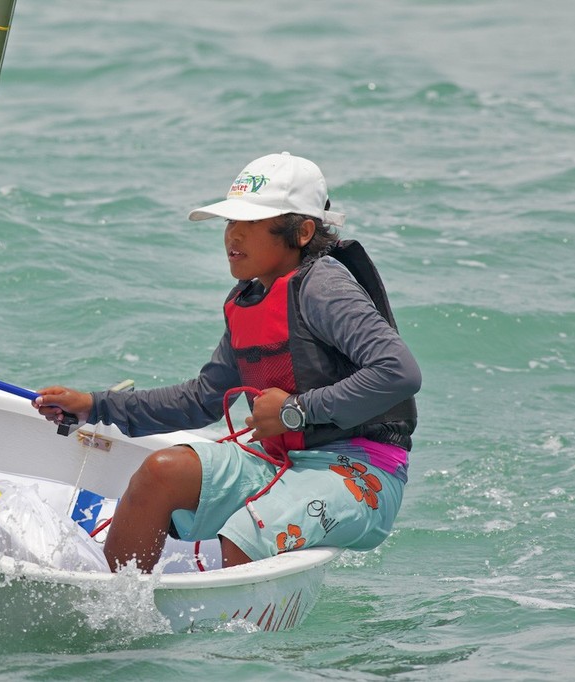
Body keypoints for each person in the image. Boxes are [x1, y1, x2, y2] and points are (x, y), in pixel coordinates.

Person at [34, 152, 421, 573]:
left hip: (362, 471)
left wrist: (295, 411)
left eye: (250, 224)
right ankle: (116, 613)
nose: (233, 236)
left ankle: (232, 636)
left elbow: (398, 372)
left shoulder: (324, 286)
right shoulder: (248, 300)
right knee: (160, 473)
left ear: (303, 231)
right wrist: (96, 405)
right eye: (230, 223)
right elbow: (200, 399)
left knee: (248, 534)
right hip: (278, 461)